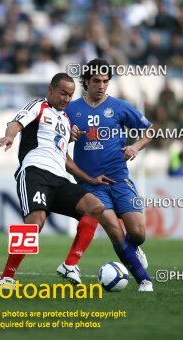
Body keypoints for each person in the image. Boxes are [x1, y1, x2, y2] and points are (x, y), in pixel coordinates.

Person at [0, 73, 116, 289]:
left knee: (95, 207)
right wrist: (10, 136)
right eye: (63, 93)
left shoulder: (67, 121)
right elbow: (16, 123)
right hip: (35, 172)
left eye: (70, 95)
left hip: (60, 179)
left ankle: (70, 264)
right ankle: (7, 277)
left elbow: (65, 158)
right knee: (35, 223)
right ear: (50, 90)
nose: (67, 99)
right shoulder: (39, 106)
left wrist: (89, 179)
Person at [66, 58, 154, 291]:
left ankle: (134, 249)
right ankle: (144, 279)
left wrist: (135, 146)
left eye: (105, 81)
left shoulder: (120, 107)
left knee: (137, 233)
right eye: (96, 81)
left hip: (119, 178)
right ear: (86, 81)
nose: (101, 85)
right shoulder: (71, 109)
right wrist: (69, 136)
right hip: (91, 185)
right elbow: (56, 139)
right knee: (115, 230)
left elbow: (150, 130)